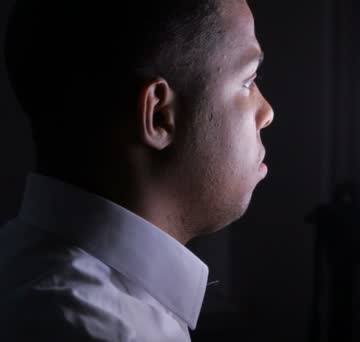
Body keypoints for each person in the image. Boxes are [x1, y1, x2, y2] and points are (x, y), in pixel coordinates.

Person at [0, 0, 273, 340]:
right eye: (248, 80)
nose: (267, 112)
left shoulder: (26, 270)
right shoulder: (93, 329)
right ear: (159, 116)